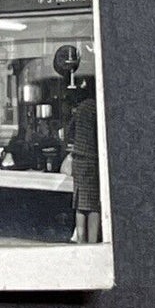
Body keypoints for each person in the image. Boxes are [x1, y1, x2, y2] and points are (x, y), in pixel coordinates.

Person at [67, 80, 102, 243]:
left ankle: (81, 240)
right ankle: (93, 241)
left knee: (80, 202)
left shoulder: (79, 109)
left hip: (78, 159)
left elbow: (70, 131)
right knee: (93, 203)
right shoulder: (97, 108)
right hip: (91, 158)